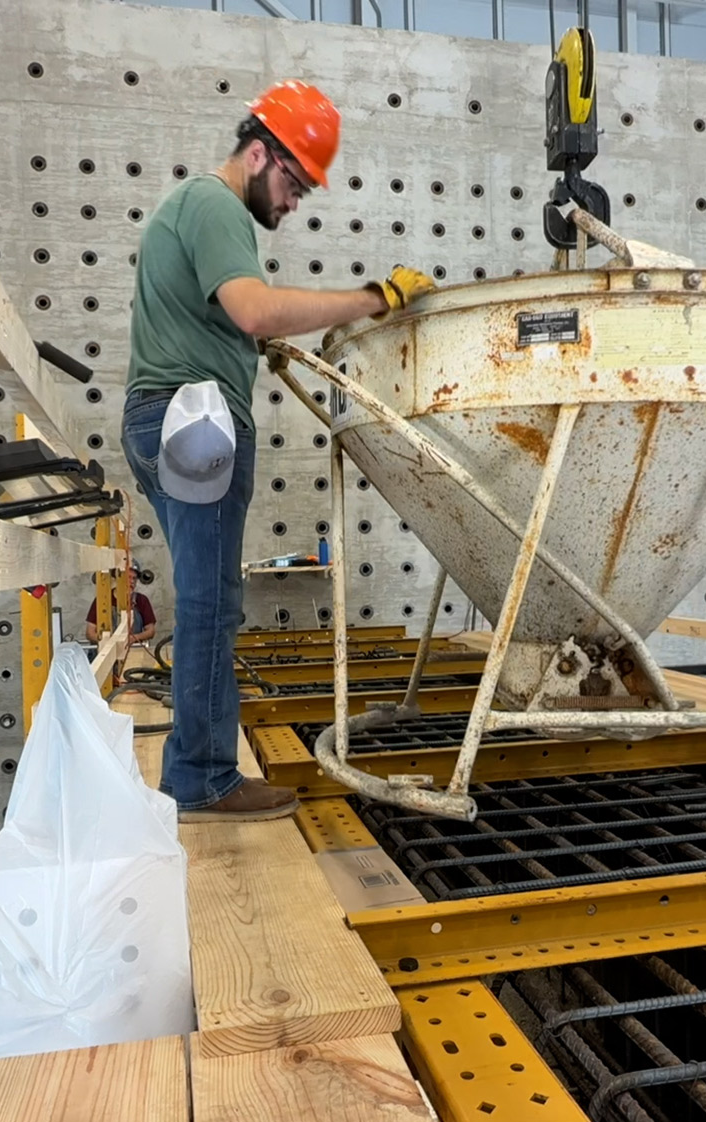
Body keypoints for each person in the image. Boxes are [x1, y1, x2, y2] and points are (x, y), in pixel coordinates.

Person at [120, 80, 435, 821]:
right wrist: (373, 298)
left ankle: (202, 773)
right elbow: (255, 309)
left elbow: (240, 322)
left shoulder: (204, 215)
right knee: (209, 607)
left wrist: (255, 344)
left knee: (213, 602)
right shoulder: (215, 205)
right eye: (292, 181)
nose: (293, 202)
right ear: (257, 153)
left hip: (173, 421)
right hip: (189, 421)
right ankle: (201, 781)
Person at [84, 582, 157, 645]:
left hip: (133, 650)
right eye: (128, 577)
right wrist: (107, 641)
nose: (132, 581)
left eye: (134, 578)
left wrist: (134, 638)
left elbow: (150, 631)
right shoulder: (102, 600)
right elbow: (90, 633)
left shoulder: (141, 600)